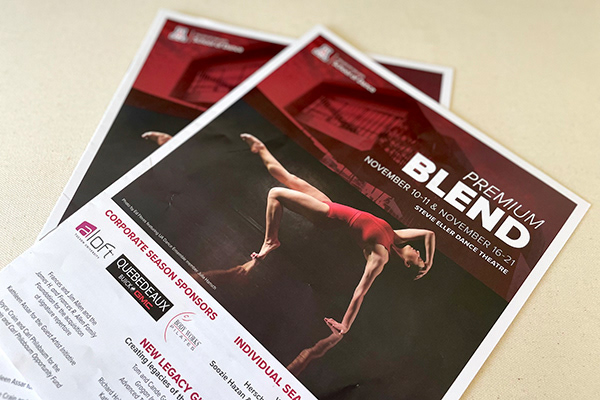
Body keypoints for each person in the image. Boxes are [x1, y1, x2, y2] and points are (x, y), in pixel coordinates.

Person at [240, 133, 436, 335]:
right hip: (331, 206)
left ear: (407, 263)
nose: (419, 253)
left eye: (419, 258)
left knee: (275, 193)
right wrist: (429, 262)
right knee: (289, 178)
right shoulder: (395, 237)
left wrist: (345, 325)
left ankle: (271, 241)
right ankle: (260, 148)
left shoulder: (380, 256)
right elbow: (428, 234)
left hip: (327, 216)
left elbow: (360, 292)